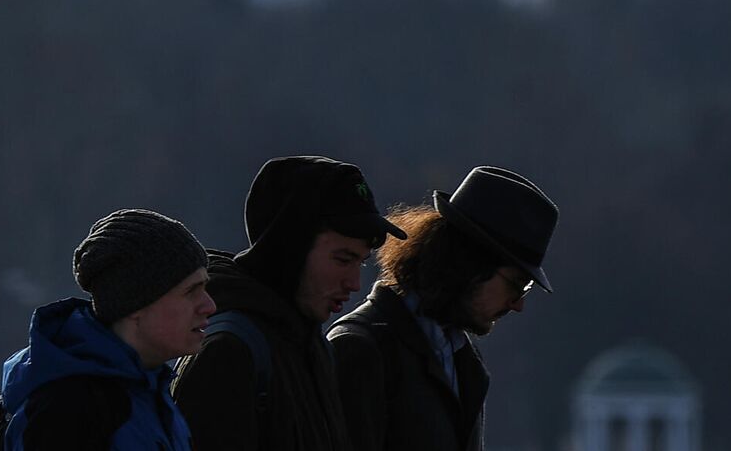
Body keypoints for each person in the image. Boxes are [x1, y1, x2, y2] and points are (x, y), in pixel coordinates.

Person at [172, 155, 406, 451]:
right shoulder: (229, 352)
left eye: (359, 264)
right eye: (342, 259)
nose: (354, 284)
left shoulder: (312, 346)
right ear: (289, 248)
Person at [329, 166, 558, 451]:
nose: (518, 304)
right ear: (468, 263)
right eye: (516, 284)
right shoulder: (360, 349)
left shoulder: (460, 355)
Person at [0, 209, 215, 451]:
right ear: (136, 303)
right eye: (191, 291)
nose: (209, 306)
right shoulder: (69, 411)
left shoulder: (146, 393)